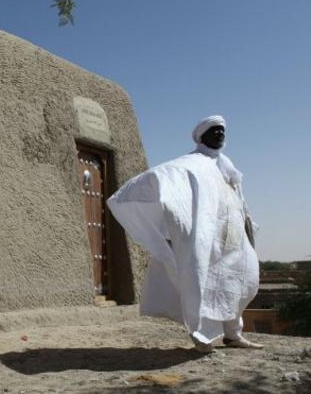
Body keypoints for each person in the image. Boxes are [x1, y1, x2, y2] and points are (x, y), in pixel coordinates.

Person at [107, 115, 263, 353]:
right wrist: (149, 185)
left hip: (233, 239)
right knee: (202, 284)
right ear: (202, 137)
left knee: (239, 284)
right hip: (208, 239)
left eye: (222, 131)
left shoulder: (228, 167)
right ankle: (201, 335)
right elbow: (169, 174)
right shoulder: (193, 163)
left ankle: (233, 334)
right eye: (214, 131)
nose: (220, 135)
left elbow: (239, 201)